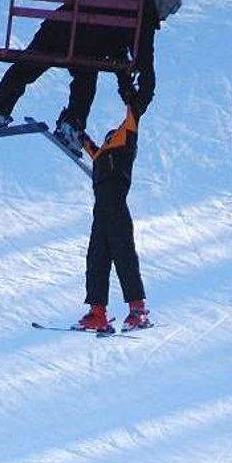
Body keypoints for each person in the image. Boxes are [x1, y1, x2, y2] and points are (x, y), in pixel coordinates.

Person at [0, 0, 182, 154]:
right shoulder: (143, 13)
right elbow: (142, 59)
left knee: (24, 69)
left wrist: (126, 88)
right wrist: (140, 97)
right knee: (86, 77)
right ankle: (72, 124)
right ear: (162, 4)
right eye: (168, 12)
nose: (164, 18)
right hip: (86, 46)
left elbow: (118, 51)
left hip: (60, 26)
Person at [75, 107, 150, 334]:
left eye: (111, 137)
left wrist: (127, 85)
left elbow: (133, 114)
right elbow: (88, 145)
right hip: (101, 214)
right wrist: (73, 128)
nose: (109, 139)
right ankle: (97, 313)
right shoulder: (101, 156)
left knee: (124, 256)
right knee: (96, 260)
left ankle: (138, 310)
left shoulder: (125, 145)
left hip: (117, 209)